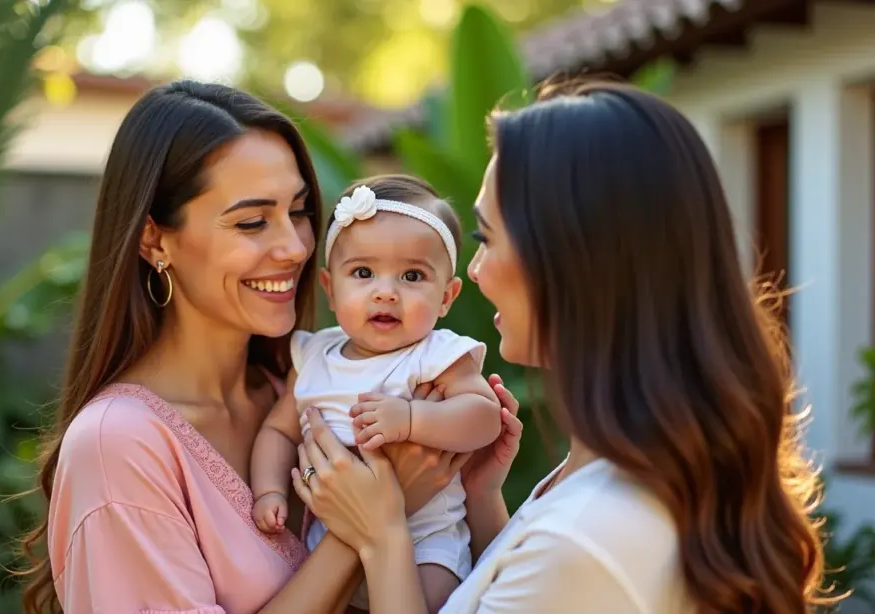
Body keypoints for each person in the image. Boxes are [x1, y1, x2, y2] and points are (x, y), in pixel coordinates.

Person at [289, 79, 831, 613]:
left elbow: (557, 565)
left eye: (486, 239)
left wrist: (382, 533)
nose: (473, 272)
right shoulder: (597, 476)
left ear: (573, 260)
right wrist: (480, 498)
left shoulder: (590, 537)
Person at [15, 80, 516, 614]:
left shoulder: (298, 387)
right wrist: (372, 522)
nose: (295, 246)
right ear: (154, 240)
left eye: (299, 212)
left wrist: (480, 494)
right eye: (253, 221)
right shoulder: (118, 446)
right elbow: (378, 527)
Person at [250, 175, 501, 611]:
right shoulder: (314, 355)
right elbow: (279, 431)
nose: (386, 291)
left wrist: (410, 420)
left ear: (447, 296)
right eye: (363, 273)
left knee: (430, 598)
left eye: (412, 275)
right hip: (330, 536)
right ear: (330, 288)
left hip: (426, 537)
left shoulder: (436, 354)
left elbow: (483, 415)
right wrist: (268, 489)